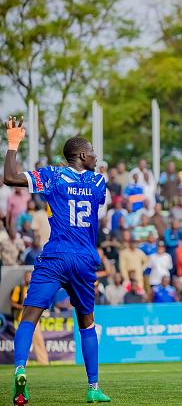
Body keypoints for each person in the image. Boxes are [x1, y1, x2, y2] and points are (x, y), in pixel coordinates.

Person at [3, 117, 111, 403]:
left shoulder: (52, 176)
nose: (96, 156)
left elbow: (10, 178)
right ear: (82, 155)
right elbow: (97, 202)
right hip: (84, 259)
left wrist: (13, 143)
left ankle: (20, 369)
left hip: (55, 256)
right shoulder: (99, 181)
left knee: (29, 316)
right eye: (92, 151)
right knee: (86, 322)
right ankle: (93, 388)